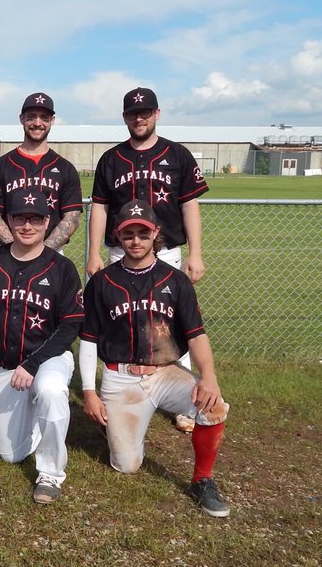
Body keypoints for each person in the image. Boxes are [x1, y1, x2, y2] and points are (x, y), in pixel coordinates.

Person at [79, 200, 231, 517]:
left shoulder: (176, 280)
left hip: (165, 373)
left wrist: (209, 376)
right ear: (117, 235)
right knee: (126, 465)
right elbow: (89, 340)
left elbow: (196, 334)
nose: (136, 241)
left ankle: (202, 479)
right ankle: (116, 428)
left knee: (213, 406)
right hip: (121, 377)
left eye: (143, 233)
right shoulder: (102, 282)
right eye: (128, 234)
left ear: (156, 233)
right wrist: (89, 392)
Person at [0, 189, 84, 504]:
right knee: (10, 454)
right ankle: (34, 415)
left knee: (51, 390)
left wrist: (32, 365)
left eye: (35, 218)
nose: (27, 226)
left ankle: (50, 472)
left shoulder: (62, 268)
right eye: (20, 218)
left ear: (47, 222)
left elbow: (70, 325)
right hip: (5, 365)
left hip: (48, 358)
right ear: (8, 220)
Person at [86, 87, 208, 282]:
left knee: (165, 302)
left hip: (167, 252)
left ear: (157, 113)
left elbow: (189, 205)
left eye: (145, 112)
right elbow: (100, 207)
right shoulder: (110, 159)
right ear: (124, 117)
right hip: (121, 251)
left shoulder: (178, 154)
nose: (139, 119)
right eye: (132, 114)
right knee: (120, 301)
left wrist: (195, 253)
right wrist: (93, 253)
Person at [0, 92, 82, 251]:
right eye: (31, 117)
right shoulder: (0, 166)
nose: (38, 123)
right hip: (9, 252)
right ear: (21, 118)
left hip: (52, 252)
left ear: (52, 121)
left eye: (44, 118)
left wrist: (42, 253)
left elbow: (72, 217)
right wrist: (15, 248)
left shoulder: (66, 168)